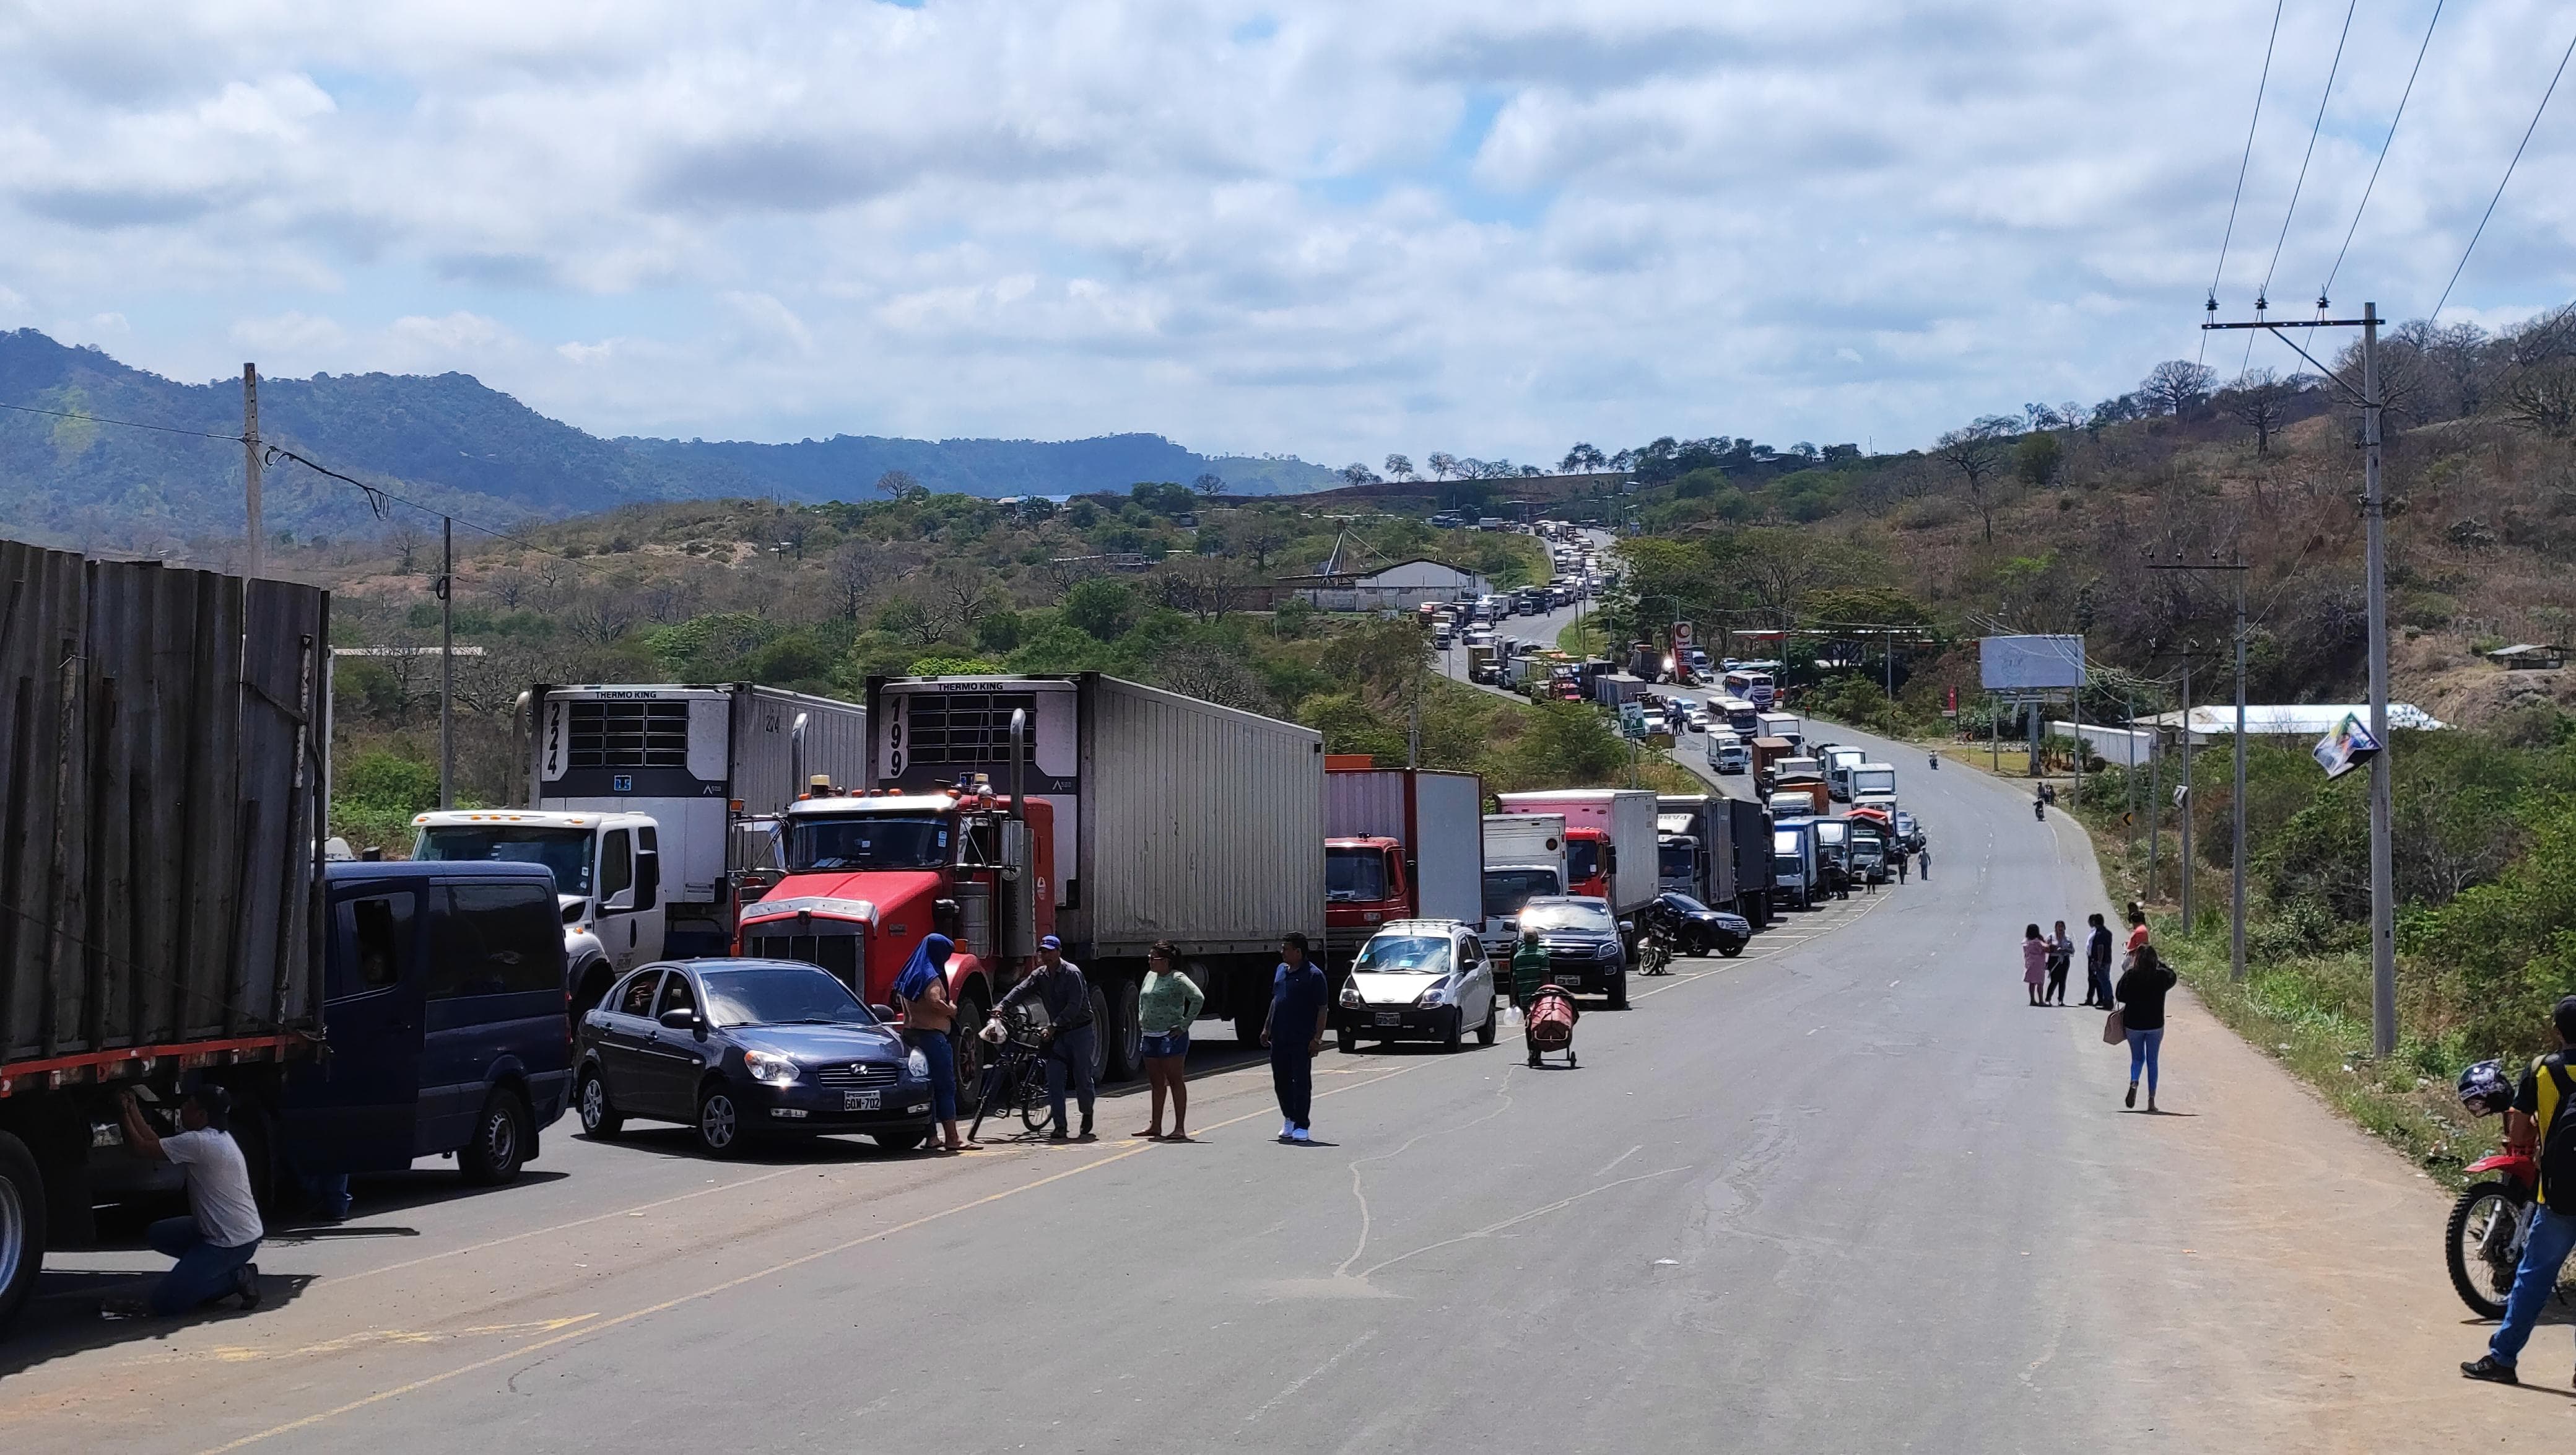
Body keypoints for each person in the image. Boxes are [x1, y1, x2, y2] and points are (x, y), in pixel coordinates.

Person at [2464, 997, 2576, 1384]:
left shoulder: (2541, 1070)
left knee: (2533, 1279)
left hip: (2558, 1195)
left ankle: (2503, 1360)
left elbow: (2522, 1134)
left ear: (2558, 1032)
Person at [110, 1086, 263, 1317]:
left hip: (231, 1241)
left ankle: (237, 1277)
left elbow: (140, 1149)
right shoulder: (214, 1137)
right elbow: (155, 1143)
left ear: (202, 1115)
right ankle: (204, 1272)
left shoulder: (202, 1143)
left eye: (189, 1105)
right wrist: (132, 1108)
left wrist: (121, 1112)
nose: (182, 1108)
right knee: (158, 1233)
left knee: (166, 1303)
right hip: (218, 1231)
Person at [993, 935, 1095, 1142]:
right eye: (1043, 952)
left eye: (1049, 951)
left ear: (1059, 952)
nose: (1045, 956)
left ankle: (1087, 1112)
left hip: (1079, 1032)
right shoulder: (1040, 975)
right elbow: (1021, 990)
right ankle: (1060, 1126)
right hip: (1057, 1036)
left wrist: (1054, 1026)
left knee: (1082, 1077)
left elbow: (1074, 1006)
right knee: (1054, 1079)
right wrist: (1002, 1005)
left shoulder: (1072, 974)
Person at [892, 933, 965, 1153]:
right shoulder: (930, 976)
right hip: (932, 1037)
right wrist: (951, 1010)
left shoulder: (910, 972)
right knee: (946, 1086)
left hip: (911, 1035)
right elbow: (934, 1000)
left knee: (927, 1087)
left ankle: (932, 1136)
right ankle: (952, 1137)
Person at [1260, 933, 1328, 1143]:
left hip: (1301, 1038)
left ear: (1298, 952)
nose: (1282, 952)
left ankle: (1301, 1125)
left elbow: (1322, 1009)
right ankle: (1289, 1117)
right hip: (1280, 1037)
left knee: (1301, 1082)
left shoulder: (1314, 975)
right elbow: (1276, 1000)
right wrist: (1266, 1028)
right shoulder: (1281, 971)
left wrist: (1317, 1038)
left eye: (1286, 949)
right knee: (1281, 1081)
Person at [1134, 941, 1204, 1142]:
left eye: (1153, 959)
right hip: (1149, 1035)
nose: (1149, 962)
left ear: (1166, 962)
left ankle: (1179, 1128)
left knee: (1175, 1080)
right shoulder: (1150, 976)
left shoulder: (1178, 979)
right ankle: (1155, 1125)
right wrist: (1141, 1019)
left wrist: (1184, 1025)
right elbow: (1142, 999)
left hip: (1170, 1037)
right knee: (1156, 1083)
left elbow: (1198, 998)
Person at [2114, 943, 2178, 1111]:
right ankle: (2151, 1100)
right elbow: (2174, 976)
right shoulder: (2161, 977)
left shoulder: (2131, 975)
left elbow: (2119, 995)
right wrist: (2161, 964)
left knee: (2137, 1058)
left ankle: (2134, 1081)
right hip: (2155, 1024)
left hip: (2133, 1024)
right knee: (2152, 1061)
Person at [2082, 912, 2115, 1008]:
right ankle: (2107, 1000)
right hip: (2108, 960)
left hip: (2102, 961)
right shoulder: (2108, 933)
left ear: (2095, 922)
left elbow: (2100, 948)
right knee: (2106, 980)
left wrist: (2099, 961)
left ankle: (2108, 1001)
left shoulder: (2100, 933)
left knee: (2104, 981)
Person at [2044, 920, 2074, 1005]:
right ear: (2056, 928)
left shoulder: (2068, 939)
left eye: (2062, 926)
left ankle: (2061, 1000)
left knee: (2062, 981)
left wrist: (2064, 950)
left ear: (2065, 928)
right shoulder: (2050, 937)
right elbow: (2045, 949)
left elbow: (2072, 951)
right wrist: (2052, 948)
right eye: (2059, 926)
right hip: (2053, 960)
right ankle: (2048, 999)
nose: (2060, 928)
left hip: (2064, 960)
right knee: (2054, 980)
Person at [2020, 924, 2047, 1007]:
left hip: (2030, 964)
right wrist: (2044, 941)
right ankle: (2041, 1001)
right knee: (2040, 983)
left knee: (2032, 983)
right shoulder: (2037, 942)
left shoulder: (2026, 941)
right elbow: (2046, 948)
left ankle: (2032, 1000)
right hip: (2038, 965)